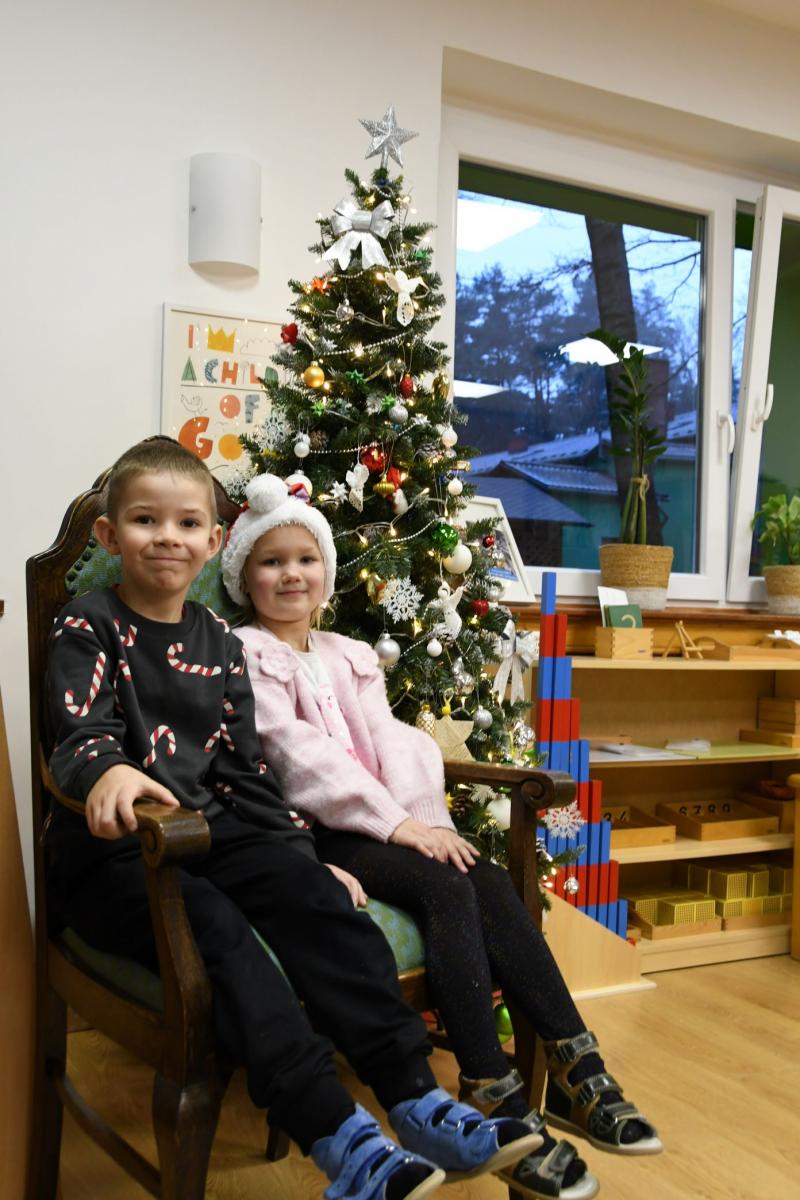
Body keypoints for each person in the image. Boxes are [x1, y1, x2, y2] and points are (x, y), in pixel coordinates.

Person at [45, 439, 543, 1200]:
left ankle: (415, 1098)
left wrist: (305, 858)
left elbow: (243, 774)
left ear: (214, 541)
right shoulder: (89, 624)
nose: (168, 537)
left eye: (187, 523)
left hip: (211, 834)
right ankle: (339, 1137)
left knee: (312, 895)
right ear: (112, 536)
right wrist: (108, 768)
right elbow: (80, 736)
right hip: (115, 855)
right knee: (216, 929)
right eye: (146, 520)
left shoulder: (219, 643)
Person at [222, 473, 664, 1200]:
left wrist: (425, 820)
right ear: (244, 576)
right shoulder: (245, 652)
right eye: (271, 562)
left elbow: (396, 742)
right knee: (444, 885)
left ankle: (579, 1067)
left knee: (482, 875)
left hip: (387, 824)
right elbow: (297, 757)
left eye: (305, 559)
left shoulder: (347, 653)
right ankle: (493, 1092)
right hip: (314, 837)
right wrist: (398, 827)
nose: (290, 575)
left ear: (326, 572)